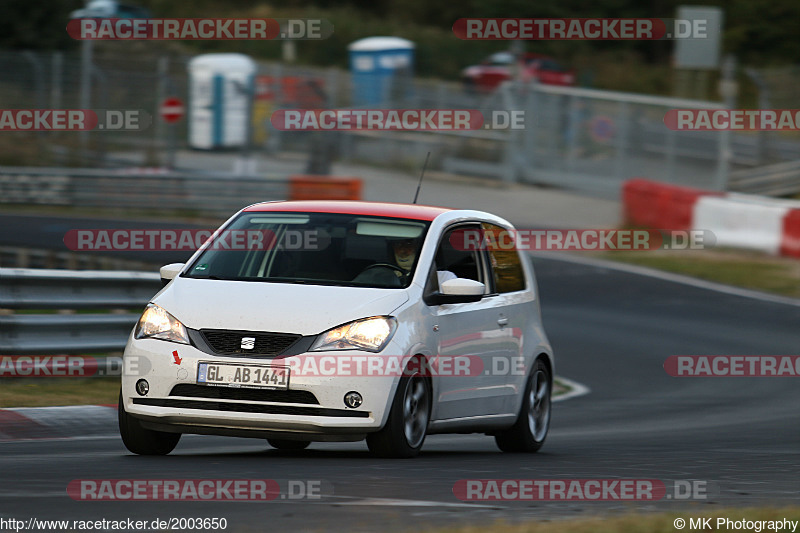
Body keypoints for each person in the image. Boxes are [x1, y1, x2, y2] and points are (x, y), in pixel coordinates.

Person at [391, 238, 456, 286]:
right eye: (398, 246)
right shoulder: (388, 277)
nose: (402, 252)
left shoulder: (444, 278)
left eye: (409, 246)